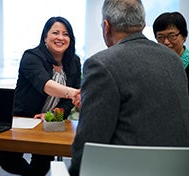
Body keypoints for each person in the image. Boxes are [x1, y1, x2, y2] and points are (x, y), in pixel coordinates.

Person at [69, 0, 189, 176]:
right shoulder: (174, 61)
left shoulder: (101, 64)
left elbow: (88, 145)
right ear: (141, 24)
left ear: (106, 26)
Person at [0, 16, 81, 176]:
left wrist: (53, 115)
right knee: (8, 161)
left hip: (49, 121)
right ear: (45, 37)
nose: (60, 37)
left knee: (42, 166)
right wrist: (73, 92)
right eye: (55, 32)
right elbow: (45, 85)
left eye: (66, 34)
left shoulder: (74, 61)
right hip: (22, 119)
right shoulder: (31, 57)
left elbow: (67, 102)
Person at [153, 12, 189, 91]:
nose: (166, 42)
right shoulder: (154, 66)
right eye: (160, 37)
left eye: (172, 36)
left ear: (184, 36)